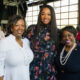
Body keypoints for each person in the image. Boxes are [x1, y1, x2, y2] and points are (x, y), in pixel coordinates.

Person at [26, 4, 57, 80]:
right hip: (33, 69)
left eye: (49, 14)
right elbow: (23, 45)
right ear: (40, 15)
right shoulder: (32, 29)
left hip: (49, 70)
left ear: (52, 16)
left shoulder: (57, 32)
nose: (45, 17)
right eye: (43, 14)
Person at [0, 15, 34, 80]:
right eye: (16, 25)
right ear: (11, 27)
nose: (20, 28)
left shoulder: (26, 41)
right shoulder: (4, 42)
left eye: (22, 25)